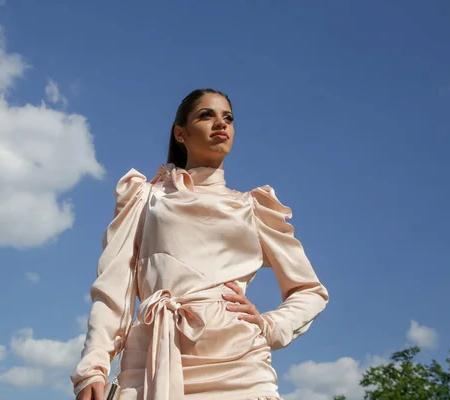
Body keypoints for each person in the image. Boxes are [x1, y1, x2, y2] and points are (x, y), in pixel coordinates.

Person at [71, 88, 329, 400]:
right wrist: (94, 365)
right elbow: (114, 287)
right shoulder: (145, 197)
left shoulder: (253, 207)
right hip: (152, 361)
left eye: (228, 118)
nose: (221, 124)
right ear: (180, 133)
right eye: (206, 115)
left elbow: (309, 291)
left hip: (239, 368)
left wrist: (269, 324)